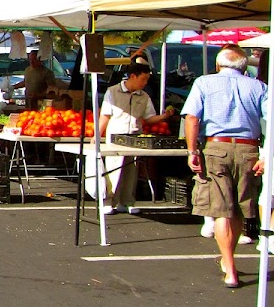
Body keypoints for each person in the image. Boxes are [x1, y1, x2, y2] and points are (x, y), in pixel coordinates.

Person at [184, 45, 268, 288]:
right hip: (248, 149)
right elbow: (271, 119)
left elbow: (192, 117)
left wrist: (192, 151)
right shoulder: (259, 86)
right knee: (239, 209)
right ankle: (229, 262)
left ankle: (229, 266)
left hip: (216, 147)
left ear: (219, 65)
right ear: (245, 66)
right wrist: (266, 154)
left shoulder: (203, 82)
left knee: (221, 209)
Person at [98, 62, 175, 215]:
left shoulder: (144, 96)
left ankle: (127, 202)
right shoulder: (112, 92)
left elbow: (149, 118)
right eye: (143, 79)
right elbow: (105, 115)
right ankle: (108, 201)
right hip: (115, 138)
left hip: (135, 137)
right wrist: (97, 134)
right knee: (113, 170)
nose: (145, 83)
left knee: (131, 171)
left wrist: (164, 117)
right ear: (133, 76)